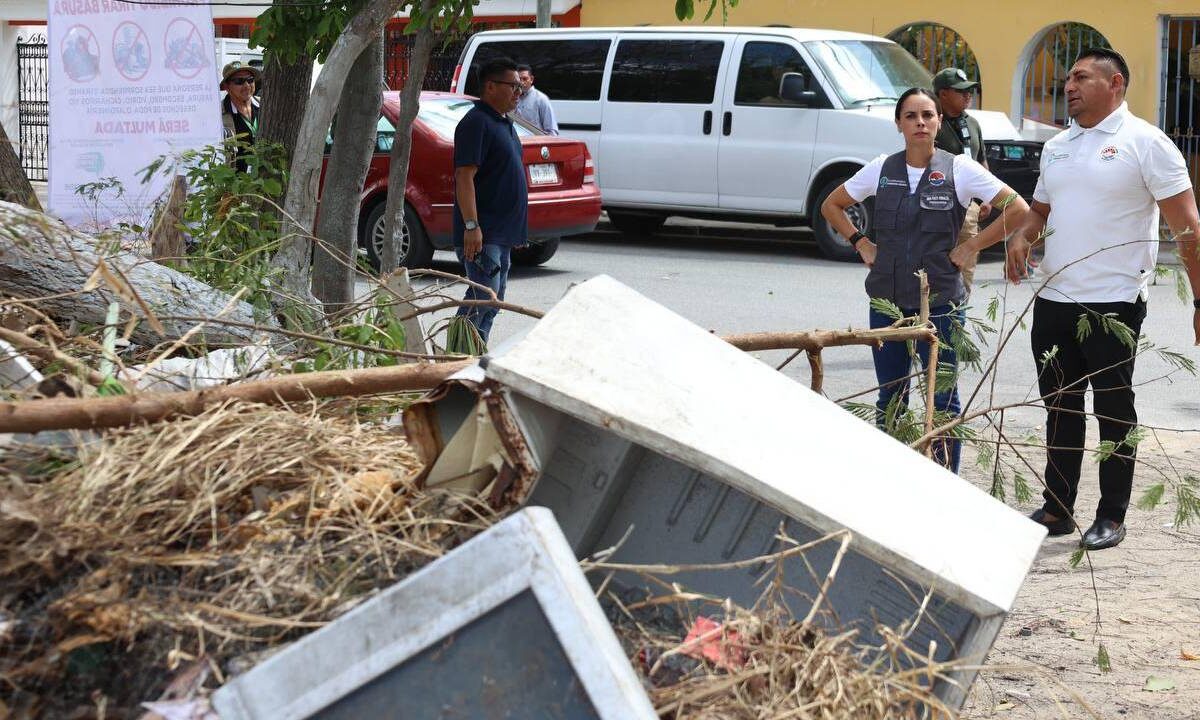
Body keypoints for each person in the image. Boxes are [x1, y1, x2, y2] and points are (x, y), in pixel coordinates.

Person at [1009, 48, 1200, 550]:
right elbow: (1039, 211)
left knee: (1114, 411)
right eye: (1068, 77)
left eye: (1081, 77)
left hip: (1112, 303)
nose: (1068, 85)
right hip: (1054, 298)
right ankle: (1057, 507)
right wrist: (1022, 237)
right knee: (1060, 406)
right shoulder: (1057, 147)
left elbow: (1189, 230)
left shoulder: (1147, 144)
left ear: (1115, 83)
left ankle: (1112, 515)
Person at [821, 87, 1029, 473]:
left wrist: (971, 248)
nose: (921, 122)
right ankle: (892, 478)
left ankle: (944, 482)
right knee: (891, 398)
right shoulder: (882, 168)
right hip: (887, 303)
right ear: (898, 123)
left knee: (944, 398)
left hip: (942, 305)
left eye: (928, 115)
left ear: (938, 123)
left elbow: (1017, 208)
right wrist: (861, 242)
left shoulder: (960, 169)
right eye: (912, 116)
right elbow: (831, 205)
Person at [453, 58, 528, 343]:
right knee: (483, 297)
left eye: (520, 87)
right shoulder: (476, 123)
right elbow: (464, 176)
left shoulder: (504, 124)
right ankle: (458, 355)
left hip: (502, 233)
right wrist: (471, 226)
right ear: (491, 86)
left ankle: (475, 352)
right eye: (513, 86)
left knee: (493, 300)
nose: (518, 93)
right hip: (483, 234)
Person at [933, 67, 990, 292]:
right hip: (937, 205)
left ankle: (958, 319)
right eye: (961, 92)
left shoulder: (972, 123)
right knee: (935, 268)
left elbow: (981, 160)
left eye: (970, 91)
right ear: (943, 94)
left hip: (969, 209)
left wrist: (986, 196)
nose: (968, 96)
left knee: (965, 268)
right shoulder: (930, 122)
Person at [219, 62, 261, 172]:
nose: (247, 85)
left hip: (265, 181)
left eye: (250, 80)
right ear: (226, 87)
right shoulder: (218, 115)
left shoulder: (266, 105)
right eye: (239, 81)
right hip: (235, 184)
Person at [513, 64, 559, 135]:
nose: (521, 82)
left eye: (525, 79)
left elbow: (552, 131)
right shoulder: (510, 98)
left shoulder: (541, 99)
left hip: (534, 143)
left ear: (531, 79)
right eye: (519, 79)